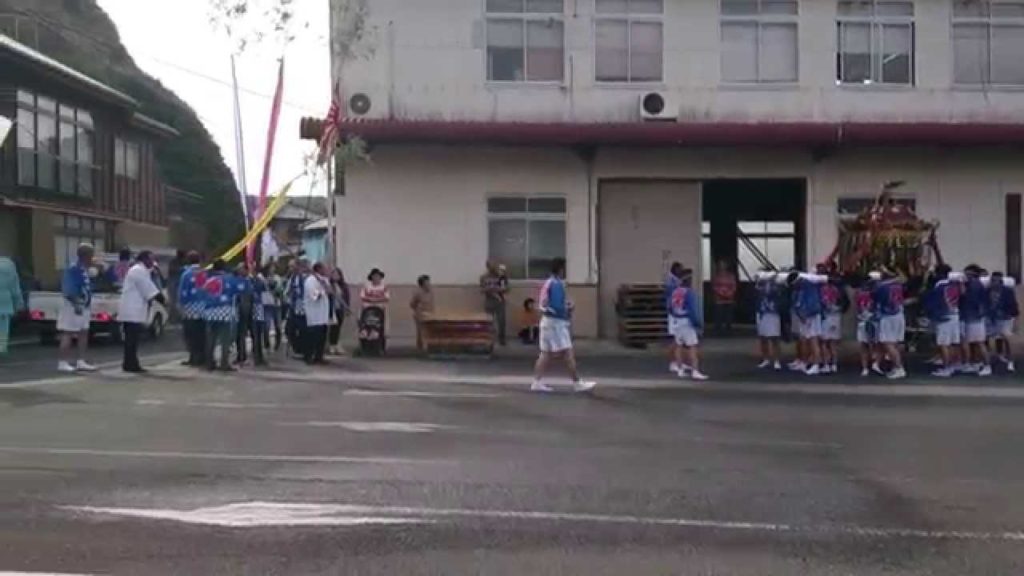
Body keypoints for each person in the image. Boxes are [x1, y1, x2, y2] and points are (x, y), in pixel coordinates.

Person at [531, 258, 595, 393]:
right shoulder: (557, 284)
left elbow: (547, 304)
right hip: (556, 324)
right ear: (560, 269)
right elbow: (557, 306)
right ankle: (577, 383)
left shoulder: (548, 283)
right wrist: (569, 308)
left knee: (545, 353)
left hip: (546, 321)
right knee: (567, 352)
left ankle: (536, 382)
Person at [117, 251, 165, 373]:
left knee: (132, 339)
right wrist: (164, 301)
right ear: (144, 259)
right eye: (150, 260)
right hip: (132, 310)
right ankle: (131, 364)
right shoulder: (138, 271)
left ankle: (130, 363)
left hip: (134, 310)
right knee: (131, 340)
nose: (152, 263)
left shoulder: (141, 271)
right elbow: (149, 290)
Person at [57, 243, 97, 373]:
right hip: (73, 307)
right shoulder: (73, 269)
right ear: (86, 255)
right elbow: (68, 290)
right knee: (68, 333)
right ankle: (63, 362)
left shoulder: (85, 269)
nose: (93, 258)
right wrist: (76, 303)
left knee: (83, 332)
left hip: (84, 306)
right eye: (91, 255)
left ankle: (81, 361)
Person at [667, 266, 708, 381]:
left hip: (676, 320)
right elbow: (692, 310)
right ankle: (695, 370)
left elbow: (669, 307)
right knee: (692, 346)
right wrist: (698, 323)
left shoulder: (675, 291)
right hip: (686, 322)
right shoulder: (689, 293)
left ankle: (680, 369)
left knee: (679, 345)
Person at [202, 259, 242, 372]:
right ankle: (224, 363)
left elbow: (203, 293)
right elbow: (238, 292)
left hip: (210, 311)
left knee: (211, 338)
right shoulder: (230, 279)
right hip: (225, 311)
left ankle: (209, 363)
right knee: (225, 338)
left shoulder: (209, 280)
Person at [925, 264, 963, 378]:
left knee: (943, 344)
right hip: (955, 314)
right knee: (953, 343)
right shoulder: (955, 285)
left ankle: (947, 368)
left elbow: (934, 301)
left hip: (944, 316)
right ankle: (954, 364)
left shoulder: (940, 286)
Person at [789, 271, 824, 376]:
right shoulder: (801, 289)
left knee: (814, 340)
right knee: (805, 339)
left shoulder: (810, 286)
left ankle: (816, 365)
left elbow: (813, 303)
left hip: (811, 316)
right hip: (805, 316)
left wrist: (806, 314)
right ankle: (805, 362)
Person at [874, 269, 907, 379]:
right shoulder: (898, 285)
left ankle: (899, 368)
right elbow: (903, 279)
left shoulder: (881, 287)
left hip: (888, 316)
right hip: (899, 315)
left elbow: (876, 300)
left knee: (887, 343)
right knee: (895, 343)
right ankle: (895, 366)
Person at [959, 264, 991, 376]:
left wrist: (962, 287)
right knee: (973, 343)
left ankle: (987, 365)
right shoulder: (975, 284)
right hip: (972, 316)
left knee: (979, 343)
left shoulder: (974, 285)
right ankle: (975, 363)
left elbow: (966, 297)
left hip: (974, 317)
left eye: (967, 273)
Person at [819, 265, 850, 374]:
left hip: (826, 316)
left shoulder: (822, 289)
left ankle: (826, 364)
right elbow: (846, 303)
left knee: (823, 342)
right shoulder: (839, 289)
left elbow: (821, 304)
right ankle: (834, 364)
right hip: (836, 316)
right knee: (832, 343)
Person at [177, 252, 206, 367]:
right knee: (201, 334)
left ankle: (193, 358)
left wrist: (180, 305)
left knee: (190, 335)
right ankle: (202, 357)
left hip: (189, 308)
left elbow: (183, 292)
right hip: (202, 308)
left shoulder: (187, 274)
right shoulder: (203, 273)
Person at [987, 271, 1018, 372]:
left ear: (1001, 281)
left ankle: (1011, 361)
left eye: (997, 281)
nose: (994, 283)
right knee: (993, 338)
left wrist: (1009, 314)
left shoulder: (1007, 291)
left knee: (1007, 339)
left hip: (1005, 319)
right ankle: (998, 356)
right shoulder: (987, 291)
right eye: (993, 280)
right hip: (992, 318)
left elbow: (1013, 305)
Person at [754, 270, 782, 370]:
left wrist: (772, 278)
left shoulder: (776, 285)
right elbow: (757, 290)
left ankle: (776, 360)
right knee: (763, 338)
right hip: (762, 313)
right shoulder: (759, 284)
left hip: (772, 313)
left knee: (775, 338)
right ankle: (765, 358)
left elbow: (774, 293)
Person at [303, 262, 331, 364]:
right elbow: (314, 295)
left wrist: (326, 287)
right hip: (314, 314)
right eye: (324, 268)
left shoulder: (324, 280)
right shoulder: (310, 280)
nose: (326, 270)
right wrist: (323, 290)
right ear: (319, 269)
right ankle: (309, 356)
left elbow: (330, 291)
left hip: (323, 313)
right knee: (312, 337)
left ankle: (319, 356)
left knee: (322, 337)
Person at [0, 256, 25, 357]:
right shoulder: (9, 266)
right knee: (2, 330)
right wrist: (19, 304)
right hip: (4, 303)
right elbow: (15, 288)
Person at [855, 275, 879, 377]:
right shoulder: (875, 294)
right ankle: (875, 362)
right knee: (876, 344)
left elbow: (858, 308)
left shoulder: (859, 294)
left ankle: (865, 368)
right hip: (874, 321)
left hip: (862, 321)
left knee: (864, 345)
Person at [480, 261, 508, 346]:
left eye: (493, 266)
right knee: (488, 322)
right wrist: (489, 289)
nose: (492, 268)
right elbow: (481, 290)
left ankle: (501, 339)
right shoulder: (483, 277)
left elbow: (506, 288)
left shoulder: (501, 276)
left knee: (501, 321)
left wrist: (497, 289)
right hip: (489, 301)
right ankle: (488, 340)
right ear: (487, 267)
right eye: (490, 266)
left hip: (500, 301)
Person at [286, 259, 309, 358]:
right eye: (290, 266)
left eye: (292, 266)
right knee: (289, 330)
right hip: (293, 306)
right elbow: (288, 291)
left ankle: (303, 350)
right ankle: (296, 348)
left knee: (303, 329)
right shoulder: (291, 278)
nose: (290, 269)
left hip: (302, 307)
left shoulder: (304, 278)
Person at [328, 267, 351, 356]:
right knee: (333, 327)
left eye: (337, 274)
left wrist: (347, 308)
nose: (335, 276)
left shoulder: (343, 286)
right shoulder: (330, 285)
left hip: (340, 309)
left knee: (338, 327)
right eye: (333, 274)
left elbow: (347, 297)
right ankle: (332, 345)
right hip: (332, 309)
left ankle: (337, 344)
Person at [234, 264, 254, 365]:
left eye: (241, 268)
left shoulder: (247, 282)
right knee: (237, 335)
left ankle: (242, 355)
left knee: (241, 334)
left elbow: (249, 296)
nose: (239, 270)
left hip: (244, 311)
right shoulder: (236, 280)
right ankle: (240, 354)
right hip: (236, 311)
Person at [711, 259, 738, 336]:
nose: (722, 267)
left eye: (723, 265)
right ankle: (718, 332)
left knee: (728, 316)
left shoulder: (731, 276)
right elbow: (714, 286)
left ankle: (728, 332)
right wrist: (721, 292)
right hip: (719, 299)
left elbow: (734, 286)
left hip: (729, 299)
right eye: (721, 265)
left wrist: (729, 293)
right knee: (719, 316)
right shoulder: (716, 276)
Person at [410, 274, 435, 352]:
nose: (428, 284)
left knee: (430, 331)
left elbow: (432, 303)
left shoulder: (431, 292)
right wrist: (418, 311)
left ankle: (430, 346)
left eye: (429, 282)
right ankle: (420, 348)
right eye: (426, 282)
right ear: (422, 284)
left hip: (430, 314)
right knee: (421, 332)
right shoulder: (418, 293)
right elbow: (412, 304)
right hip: (420, 315)